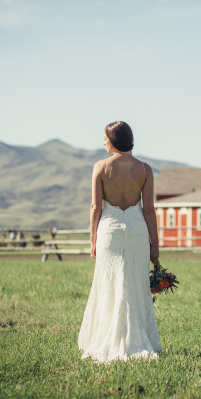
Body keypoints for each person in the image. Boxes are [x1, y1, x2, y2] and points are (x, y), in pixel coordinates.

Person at [78, 121, 162, 362]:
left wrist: (93, 237)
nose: (103, 142)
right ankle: (136, 338)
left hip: (110, 231)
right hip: (137, 231)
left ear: (114, 140)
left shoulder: (101, 167)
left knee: (108, 284)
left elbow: (96, 206)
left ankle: (107, 339)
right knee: (135, 284)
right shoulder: (145, 169)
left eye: (105, 138)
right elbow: (149, 210)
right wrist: (154, 244)